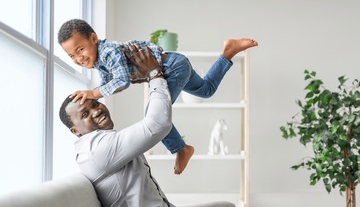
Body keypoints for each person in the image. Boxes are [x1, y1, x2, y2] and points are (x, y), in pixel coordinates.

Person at [59, 44, 279, 207]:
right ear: (75, 130)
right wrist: (154, 75)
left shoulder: (105, 142)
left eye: (95, 103)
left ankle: (226, 56)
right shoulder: (97, 149)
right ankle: (182, 147)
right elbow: (157, 124)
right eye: (85, 114)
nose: (97, 110)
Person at [57, 18, 258, 175]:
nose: (78, 58)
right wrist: (93, 99)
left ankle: (181, 149)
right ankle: (228, 52)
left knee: (153, 112)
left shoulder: (107, 52)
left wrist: (93, 93)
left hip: (171, 67)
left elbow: (121, 81)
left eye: (80, 49)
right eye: (72, 56)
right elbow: (108, 84)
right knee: (206, 90)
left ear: (93, 38)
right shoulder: (99, 62)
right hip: (176, 64)